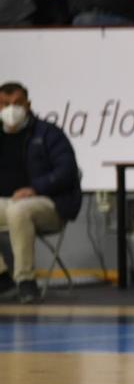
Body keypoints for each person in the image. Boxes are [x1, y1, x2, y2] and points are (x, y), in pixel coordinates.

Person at [0, 82, 82, 305]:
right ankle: (2, 279)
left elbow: (67, 171)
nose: (11, 109)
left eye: (17, 103)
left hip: (50, 204)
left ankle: (26, 282)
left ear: (28, 105)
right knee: (14, 208)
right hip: (7, 202)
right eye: (5, 104)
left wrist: (35, 188)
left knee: (19, 210)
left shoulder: (48, 133)